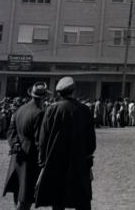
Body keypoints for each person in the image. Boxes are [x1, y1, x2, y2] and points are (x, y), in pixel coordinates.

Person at [35, 77, 96, 210]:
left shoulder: (51, 110)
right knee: (82, 200)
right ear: (73, 91)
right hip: (79, 163)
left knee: (58, 200)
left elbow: (42, 140)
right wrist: (88, 162)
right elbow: (91, 142)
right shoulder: (85, 110)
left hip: (56, 163)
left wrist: (43, 163)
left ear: (59, 93)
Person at [3, 82, 48, 210]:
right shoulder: (40, 113)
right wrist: (43, 159)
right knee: (27, 195)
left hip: (17, 156)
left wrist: (15, 143)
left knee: (18, 191)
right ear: (43, 97)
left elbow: (10, 131)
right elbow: (40, 139)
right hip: (31, 158)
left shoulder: (20, 110)